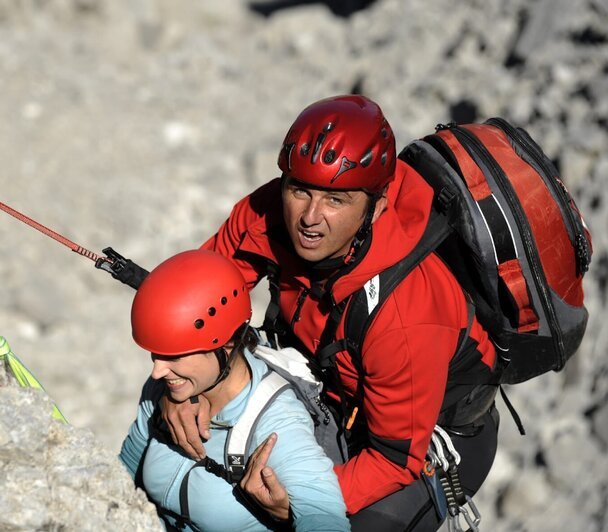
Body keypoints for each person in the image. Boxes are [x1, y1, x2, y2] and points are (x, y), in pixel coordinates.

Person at [160, 95, 500, 530]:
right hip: (329, 390)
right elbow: (196, 308)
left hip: (423, 440)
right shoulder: (265, 217)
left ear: (376, 206)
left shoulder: (405, 311)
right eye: (300, 190)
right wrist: (183, 391)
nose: (310, 217)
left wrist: (305, 497)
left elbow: (393, 458)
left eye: (336, 200)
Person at [119, 249, 351, 532]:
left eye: (174, 356)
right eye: (156, 354)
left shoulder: (279, 424)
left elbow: (326, 521)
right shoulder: (166, 388)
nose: (157, 371)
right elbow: (122, 478)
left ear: (226, 345)